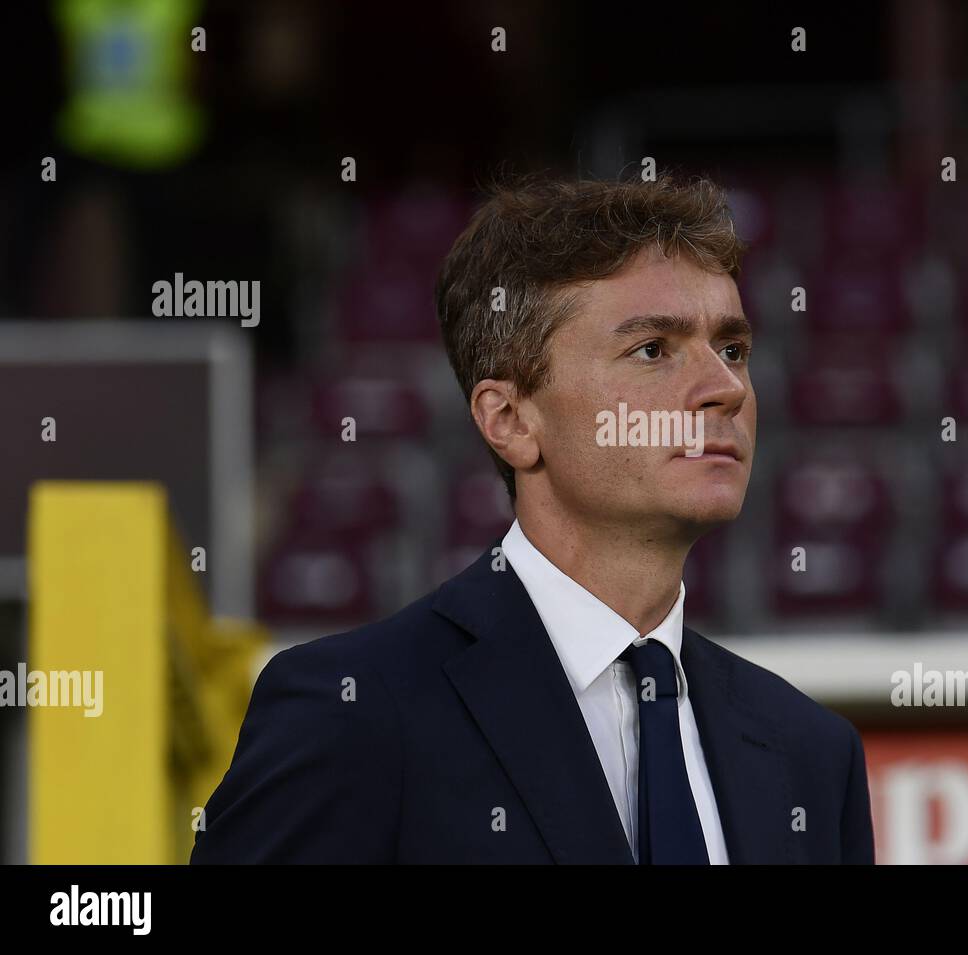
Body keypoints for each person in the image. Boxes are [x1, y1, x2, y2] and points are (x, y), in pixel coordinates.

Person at [191, 171, 875, 864]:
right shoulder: (351, 711)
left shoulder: (812, 754)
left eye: (732, 349)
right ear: (511, 420)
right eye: (652, 350)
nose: (725, 389)